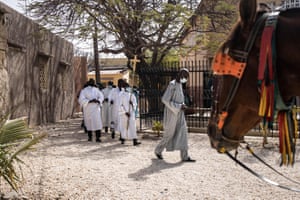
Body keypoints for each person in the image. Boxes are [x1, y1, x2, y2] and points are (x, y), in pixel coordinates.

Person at [154, 68, 196, 162]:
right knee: (169, 134)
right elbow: (165, 99)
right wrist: (178, 106)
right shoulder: (172, 84)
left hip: (180, 114)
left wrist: (183, 105)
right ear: (180, 75)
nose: (185, 78)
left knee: (184, 132)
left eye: (187, 77)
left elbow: (179, 99)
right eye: (185, 76)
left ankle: (185, 156)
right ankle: (158, 150)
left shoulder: (180, 85)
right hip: (172, 114)